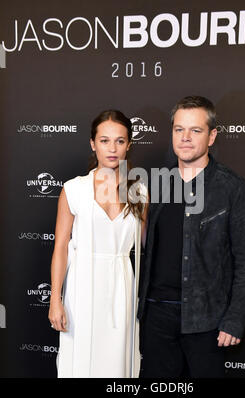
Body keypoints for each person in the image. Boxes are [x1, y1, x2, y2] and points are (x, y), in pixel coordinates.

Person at [138, 96, 245, 378]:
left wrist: (235, 319)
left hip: (206, 320)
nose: (185, 138)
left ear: (212, 136)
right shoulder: (156, 184)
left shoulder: (232, 189)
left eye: (195, 130)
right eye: (179, 129)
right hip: (156, 316)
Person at [48, 110, 147, 378]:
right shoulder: (73, 189)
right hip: (81, 288)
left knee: (117, 360)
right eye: (104, 141)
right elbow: (60, 247)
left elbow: (145, 248)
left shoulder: (140, 192)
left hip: (122, 289)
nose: (112, 148)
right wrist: (55, 299)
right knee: (81, 360)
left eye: (119, 141)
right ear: (93, 144)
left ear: (129, 145)